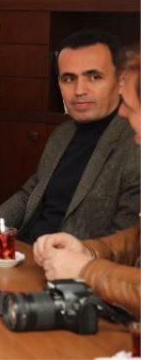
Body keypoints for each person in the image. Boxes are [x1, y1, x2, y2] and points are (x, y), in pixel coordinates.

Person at [0, 31, 139, 243]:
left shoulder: (135, 142)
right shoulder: (62, 134)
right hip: (24, 251)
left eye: (94, 77)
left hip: (77, 261)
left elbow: (127, 242)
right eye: (69, 78)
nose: (79, 90)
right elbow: (30, 194)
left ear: (120, 81)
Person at [33, 50, 140, 314]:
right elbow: (136, 238)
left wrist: (85, 270)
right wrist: (88, 251)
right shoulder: (61, 135)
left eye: (129, 105)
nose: (122, 112)